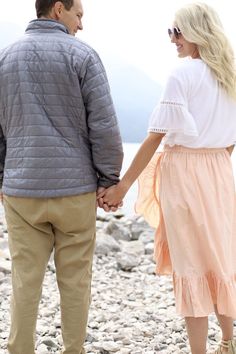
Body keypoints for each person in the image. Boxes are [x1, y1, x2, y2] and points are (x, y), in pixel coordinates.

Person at [98, 2, 236, 354]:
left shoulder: (182, 75)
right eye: (170, 32)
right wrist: (215, 158)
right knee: (219, 257)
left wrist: (123, 186)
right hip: (220, 171)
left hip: (186, 175)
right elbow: (230, 138)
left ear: (196, 32)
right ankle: (227, 340)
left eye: (177, 31)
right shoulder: (230, 76)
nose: (172, 40)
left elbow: (155, 135)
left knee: (191, 261)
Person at [0, 0, 123, 353]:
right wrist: (108, 179)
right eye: (78, 14)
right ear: (57, 9)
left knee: (25, 279)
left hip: (22, 191)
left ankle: (20, 348)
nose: (81, 24)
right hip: (74, 190)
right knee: (75, 282)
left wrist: (0, 178)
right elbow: (104, 126)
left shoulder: (5, 58)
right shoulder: (83, 56)